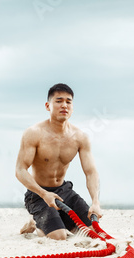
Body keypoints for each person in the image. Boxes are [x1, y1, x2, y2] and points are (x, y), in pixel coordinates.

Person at [15, 83, 102, 240]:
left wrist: (95, 202)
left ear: (72, 107)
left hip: (64, 192)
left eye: (68, 102)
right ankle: (36, 223)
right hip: (38, 194)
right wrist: (43, 193)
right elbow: (20, 170)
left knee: (94, 233)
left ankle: (56, 219)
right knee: (59, 236)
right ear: (48, 106)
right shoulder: (34, 133)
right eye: (59, 101)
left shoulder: (80, 137)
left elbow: (91, 172)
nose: (64, 105)